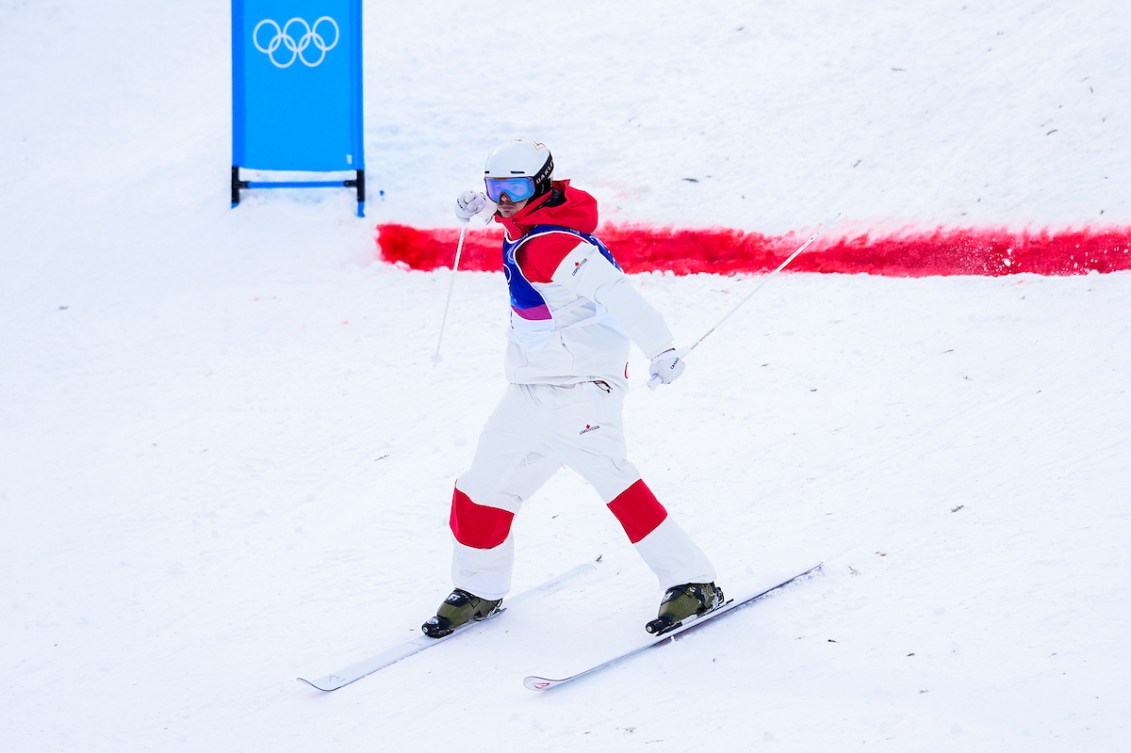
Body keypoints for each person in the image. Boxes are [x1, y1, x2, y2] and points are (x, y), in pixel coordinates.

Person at [421, 139, 722, 638]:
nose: (505, 197)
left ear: (540, 184)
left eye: (515, 187)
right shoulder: (524, 223)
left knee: (616, 484)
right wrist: (480, 206)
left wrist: (661, 348)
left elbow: (617, 293)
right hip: (529, 389)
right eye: (495, 187)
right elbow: (507, 214)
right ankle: (480, 587)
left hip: (582, 389)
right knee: (480, 487)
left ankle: (694, 582)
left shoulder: (556, 244)